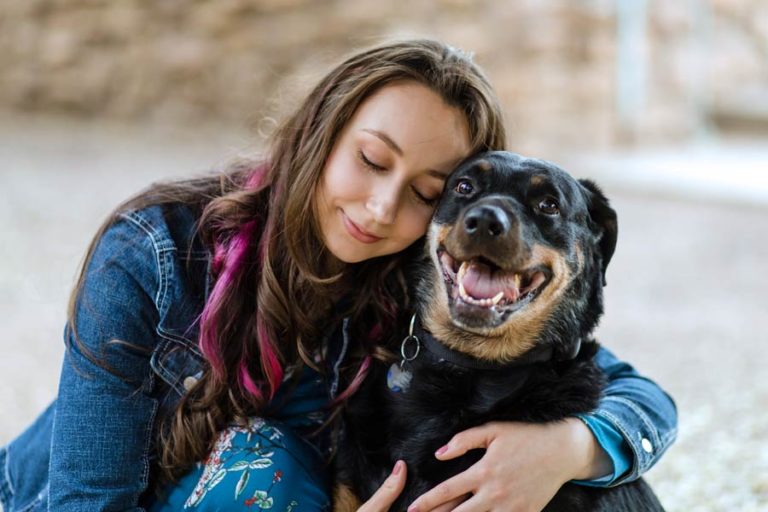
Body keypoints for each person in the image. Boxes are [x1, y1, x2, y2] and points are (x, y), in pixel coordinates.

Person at [0, 39, 676, 512]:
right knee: (266, 471)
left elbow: (639, 396)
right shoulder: (155, 251)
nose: (382, 210)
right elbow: (87, 501)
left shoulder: (413, 287)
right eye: (372, 160)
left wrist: (570, 448)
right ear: (321, 133)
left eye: (424, 192)